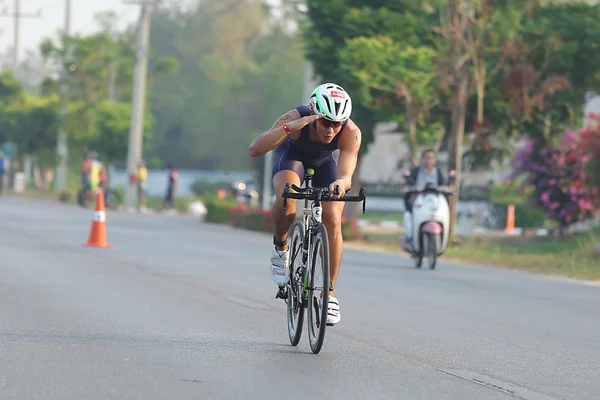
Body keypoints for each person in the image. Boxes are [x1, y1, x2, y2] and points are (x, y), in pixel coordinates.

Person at [248, 82, 362, 326]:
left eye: (337, 123)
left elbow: (346, 173)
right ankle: (281, 249)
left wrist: (341, 183)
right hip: (292, 158)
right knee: (287, 197)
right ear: (314, 114)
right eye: (325, 122)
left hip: (326, 164)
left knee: (332, 218)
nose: (331, 129)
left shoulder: (351, 132)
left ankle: (329, 294)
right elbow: (255, 149)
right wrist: (289, 128)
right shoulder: (295, 119)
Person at [402, 148, 450, 246]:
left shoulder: (438, 172)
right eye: (426, 158)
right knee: (410, 215)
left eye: (431, 158)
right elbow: (407, 185)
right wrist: (410, 188)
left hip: (433, 202)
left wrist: (446, 188)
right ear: (422, 159)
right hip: (419, 201)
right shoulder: (415, 171)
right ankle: (411, 237)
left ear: (434, 160)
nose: (428, 160)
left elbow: (444, 185)